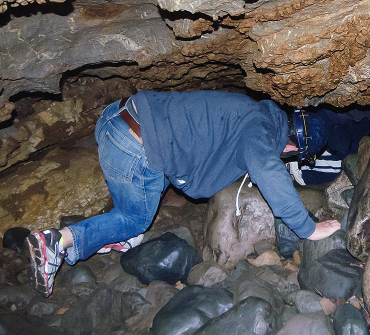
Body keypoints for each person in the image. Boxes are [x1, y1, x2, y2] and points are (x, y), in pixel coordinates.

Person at [26, 90, 341, 297]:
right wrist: (308, 228)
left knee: (150, 189)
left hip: (117, 119)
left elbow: (200, 153)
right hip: (134, 145)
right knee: (135, 219)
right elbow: (269, 173)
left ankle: (114, 237)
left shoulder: (253, 114)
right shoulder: (259, 134)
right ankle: (56, 242)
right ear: (293, 147)